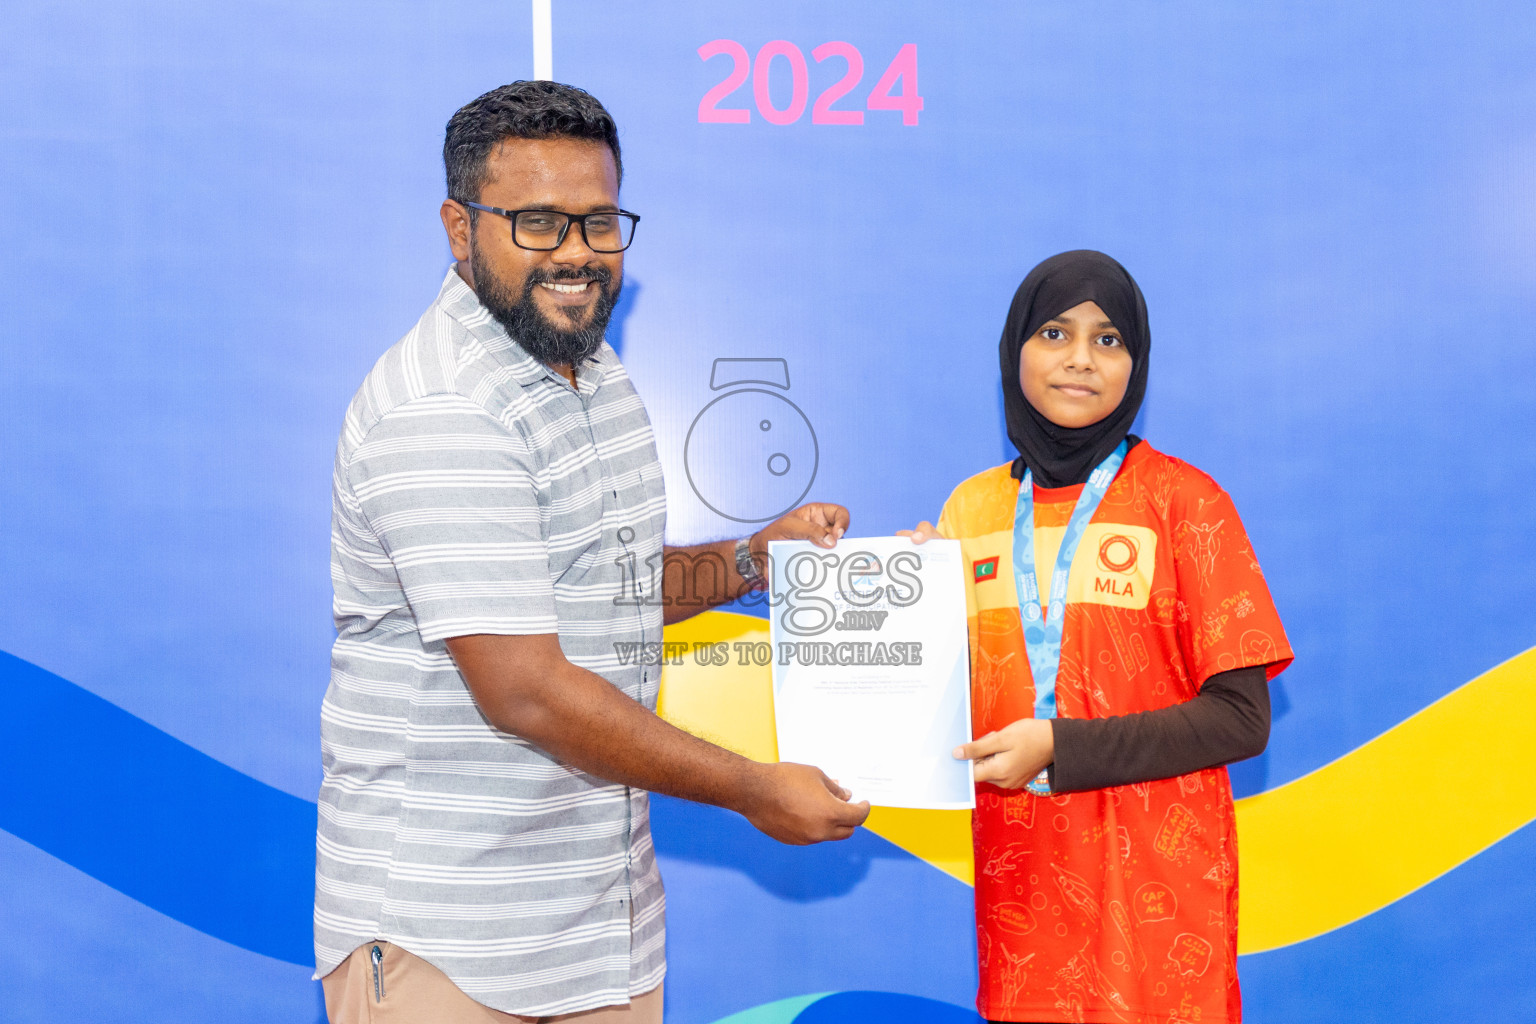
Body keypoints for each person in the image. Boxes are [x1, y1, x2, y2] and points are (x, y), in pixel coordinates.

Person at [313, 81, 870, 1024]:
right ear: (460, 228)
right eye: (537, 222)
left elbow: (603, 589)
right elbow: (524, 686)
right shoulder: (446, 406)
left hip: (601, 933)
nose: (576, 252)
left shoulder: (588, 367)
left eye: (598, 221)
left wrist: (750, 562)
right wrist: (750, 788)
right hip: (454, 945)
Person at [904, 250, 1292, 1024]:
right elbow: (948, 706)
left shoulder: (1186, 502)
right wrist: (905, 601)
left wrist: (1063, 746)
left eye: (1109, 340)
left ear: (1135, 365)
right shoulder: (969, 512)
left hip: (1156, 891)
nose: (1081, 359)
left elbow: (1244, 719)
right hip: (1025, 892)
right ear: (1016, 349)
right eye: (1054, 332)